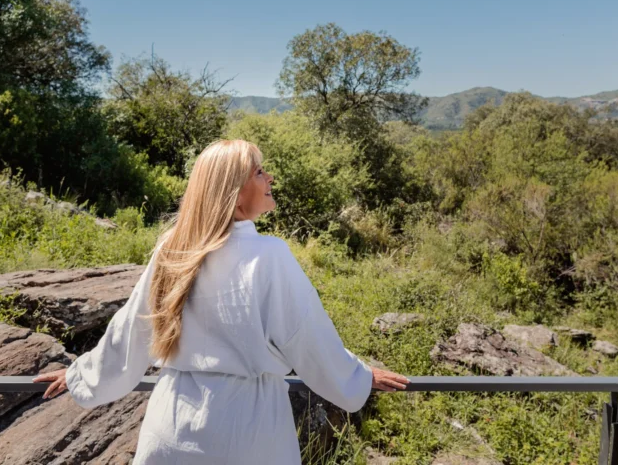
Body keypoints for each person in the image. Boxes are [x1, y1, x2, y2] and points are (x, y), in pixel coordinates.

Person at [33, 139, 409, 464]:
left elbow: (133, 328)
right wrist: (359, 378)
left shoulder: (173, 248)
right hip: (248, 432)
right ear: (233, 189)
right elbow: (308, 339)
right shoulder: (269, 255)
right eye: (259, 172)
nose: (270, 179)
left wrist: (81, 375)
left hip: (172, 428)